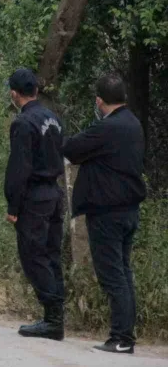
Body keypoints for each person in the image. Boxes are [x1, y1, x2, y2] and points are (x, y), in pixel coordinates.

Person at [62, 74, 146, 354]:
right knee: (123, 272)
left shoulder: (106, 129)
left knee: (113, 276)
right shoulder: (133, 124)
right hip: (129, 211)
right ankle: (125, 335)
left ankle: (122, 338)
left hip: (108, 214)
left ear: (99, 101)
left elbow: (71, 149)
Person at [4, 68, 66, 341]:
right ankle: (57, 313)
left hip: (34, 198)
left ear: (14, 94)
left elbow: (19, 168)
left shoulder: (23, 123)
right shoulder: (52, 118)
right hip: (54, 193)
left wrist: (13, 207)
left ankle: (53, 319)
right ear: (37, 91)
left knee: (33, 255)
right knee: (51, 253)